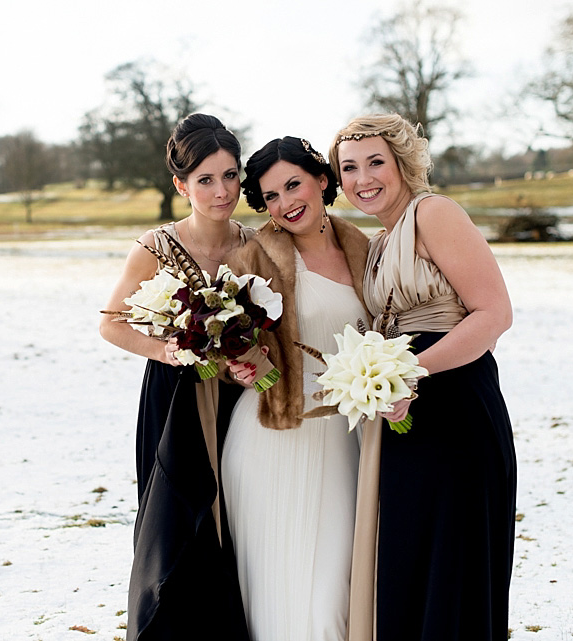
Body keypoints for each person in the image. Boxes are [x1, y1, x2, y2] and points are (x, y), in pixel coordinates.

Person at [329, 113, 517, 641]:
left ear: (402, 163)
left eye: (375, 163)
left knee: (452, 566)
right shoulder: (380, 239)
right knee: (412, 563)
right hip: (403, 410)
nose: (363, 178)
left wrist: (411, 371)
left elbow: (493, 314)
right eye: (349, 168)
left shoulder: (433, 213)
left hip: (455, 407)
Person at [99, 113, 253, 641]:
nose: (221, 191)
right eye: (206, 180)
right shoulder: (156, 246)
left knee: (234, 520)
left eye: (230, 176)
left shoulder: (255, 244)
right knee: (175, 524)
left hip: (237, 398)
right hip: (173, 398)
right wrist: (169, 351)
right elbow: (110, 323)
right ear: (181, 184)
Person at [221, 136, 371, 641]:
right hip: (275, 437)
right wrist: (240, 366)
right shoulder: (255, 255)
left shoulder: (364, 248)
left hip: (349, 436)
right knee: (281, 588)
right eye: (270, 196)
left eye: (293, 185)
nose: (285, 203)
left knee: (337, 588)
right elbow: (226, 349)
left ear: (323, 181)